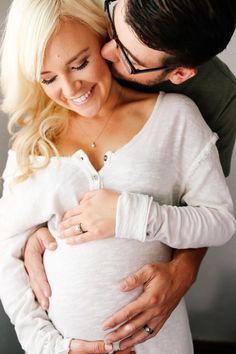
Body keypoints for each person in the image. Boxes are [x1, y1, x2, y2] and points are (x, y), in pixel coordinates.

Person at [0, 0, 235, 354]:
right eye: (48, 78)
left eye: (81, 63)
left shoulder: (183, 113)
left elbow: (218, 219)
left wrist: (131, 216)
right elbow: (7, 253)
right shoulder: (33, 144)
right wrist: (48, 346)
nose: (70, 88)